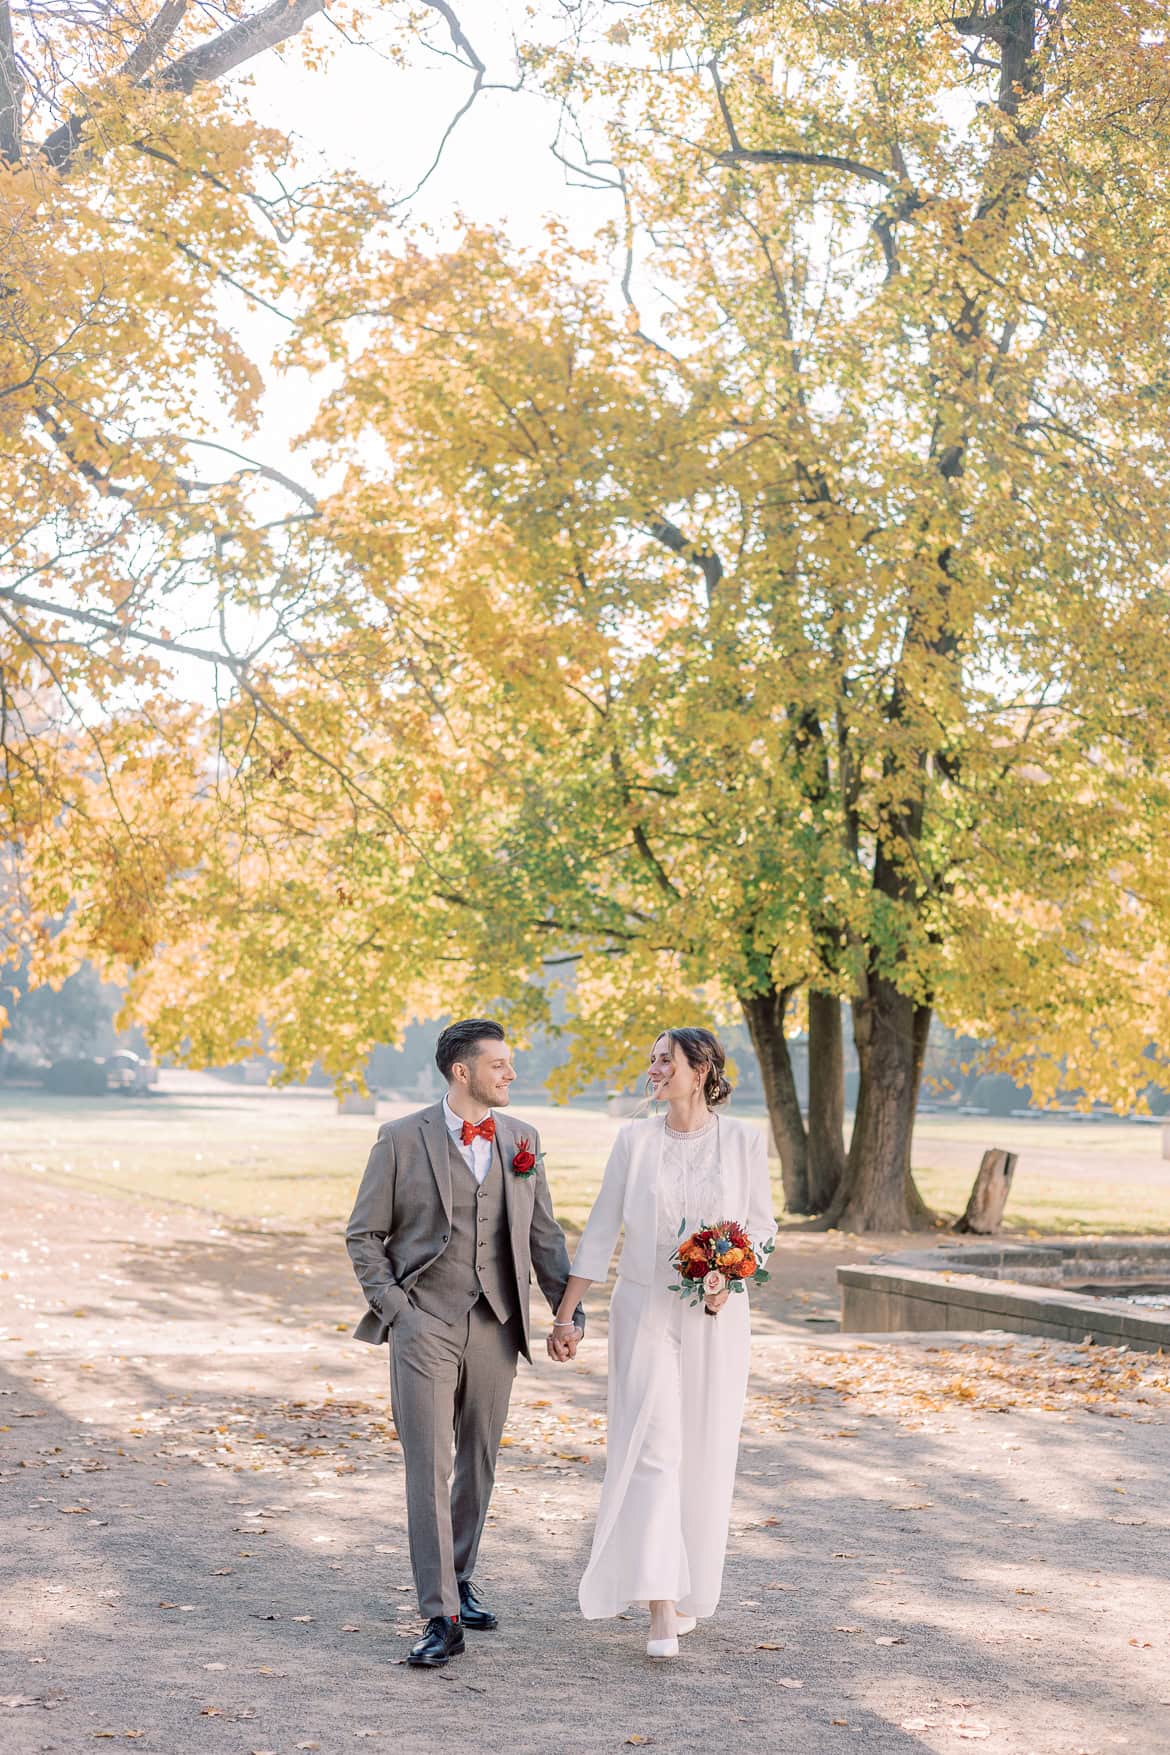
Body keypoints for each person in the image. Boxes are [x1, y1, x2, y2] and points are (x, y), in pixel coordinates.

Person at [345, 1017, 584, 1668]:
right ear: (462, 1071)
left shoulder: (521, 1139)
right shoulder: (398, 1139)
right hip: (424, 1319)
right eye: (499, 1064)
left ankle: (461, 1576)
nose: (511, 1073)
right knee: (428, 1467)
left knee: (478, 1462)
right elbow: (362, 1235)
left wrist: (569, 1312)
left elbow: (544, 1235)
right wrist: (398, 1310)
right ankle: (439, 1613)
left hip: (496, 1322)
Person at [551, 1026, 776, 1658]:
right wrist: (567, 1315)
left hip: (717, 1318)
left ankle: (687, 1590)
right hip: (642, 1307)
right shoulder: (633, 1141)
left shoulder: (743, 1141)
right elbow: (600, 1231)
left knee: (702, 1449)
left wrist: (729, 1276)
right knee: (652, 1447)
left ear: (702, 1068)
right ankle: (658, 1608)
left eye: (665, 1059)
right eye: (651, 1059)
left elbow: (760, 1226)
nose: (654, 1069)